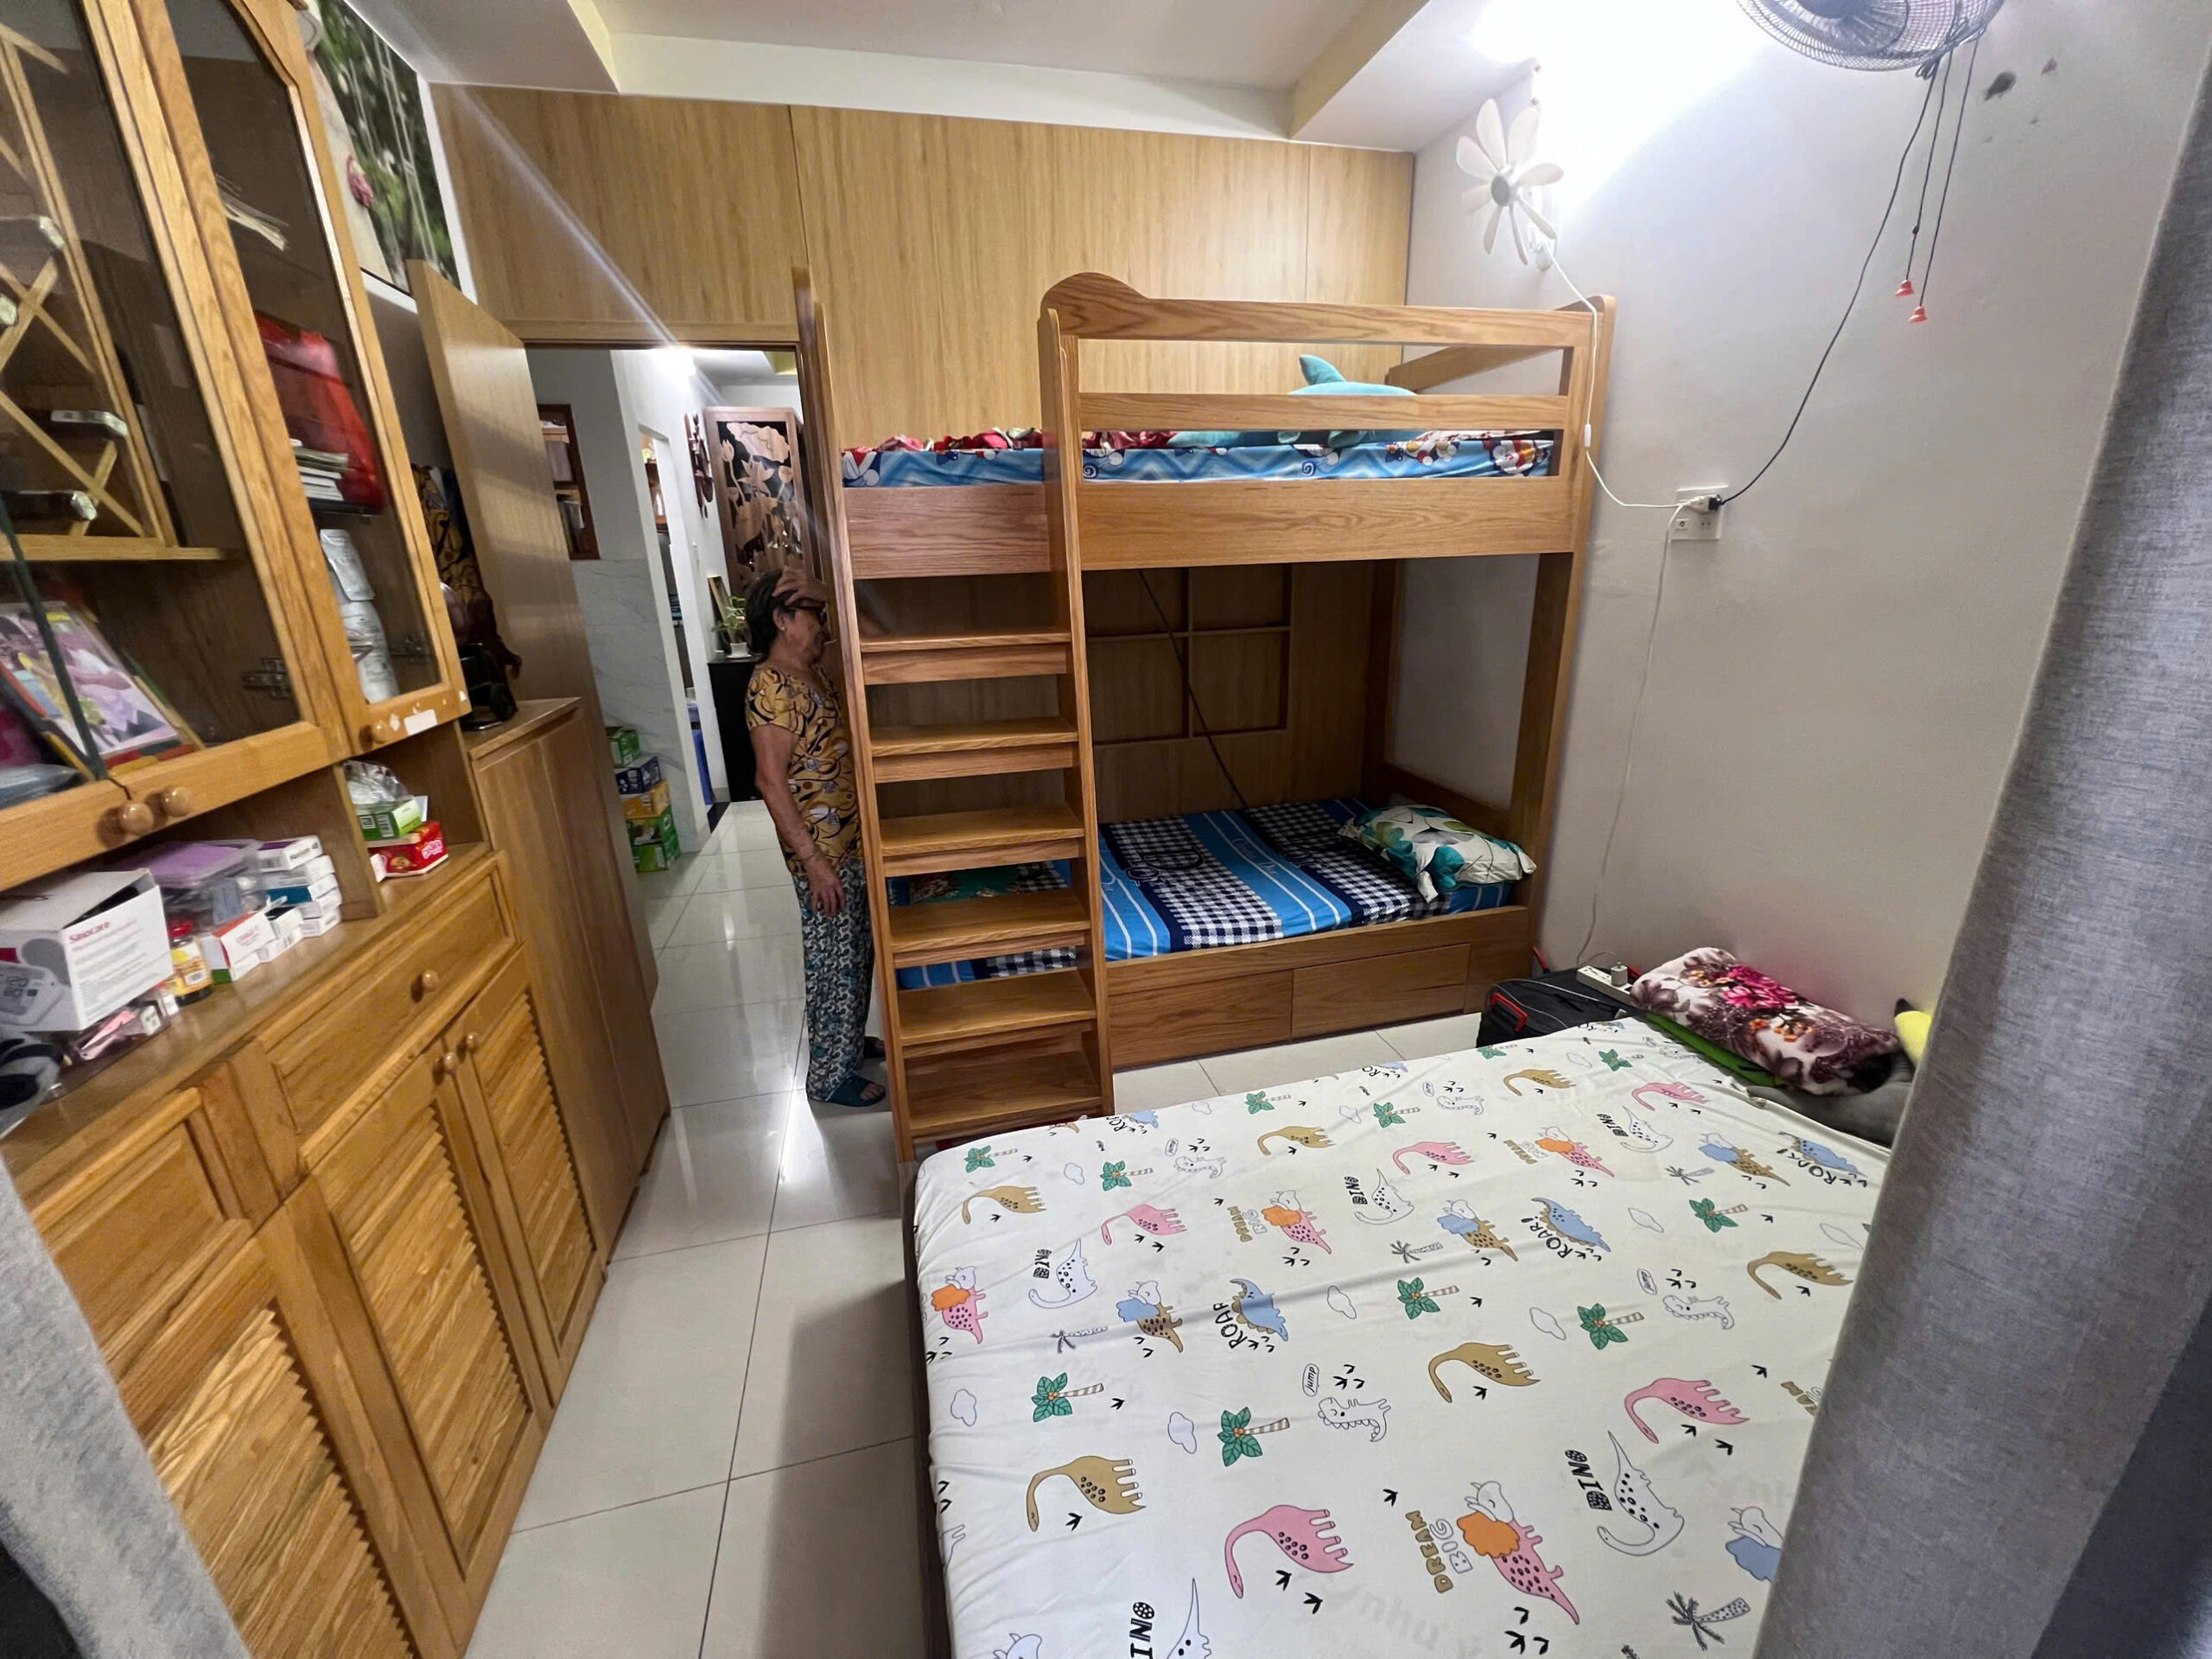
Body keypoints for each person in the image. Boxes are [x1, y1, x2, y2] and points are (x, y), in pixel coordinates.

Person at [743, 565, 884, 1107]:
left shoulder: (812, 672)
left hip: (849, 846)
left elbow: (879, 642)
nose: (822, 625)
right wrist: (815, 863)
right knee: (833, 962)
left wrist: (832, 593)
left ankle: (845, 1044)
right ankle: (829, 1076)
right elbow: (769, 781)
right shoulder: (771, 685)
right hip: (823, 856)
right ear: (782, 620)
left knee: (856, 953)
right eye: (813, 615)